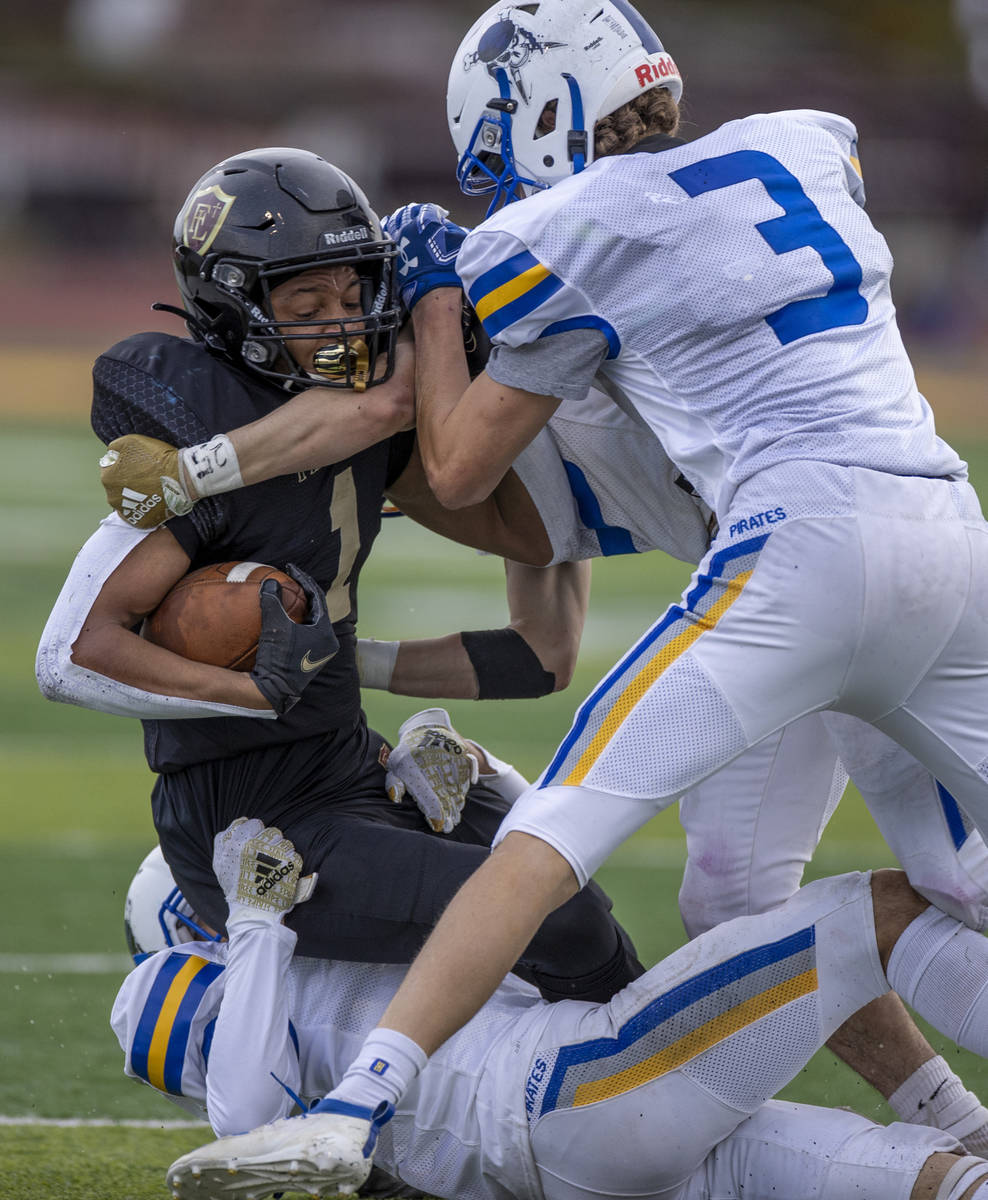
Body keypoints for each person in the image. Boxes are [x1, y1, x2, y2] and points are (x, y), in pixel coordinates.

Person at [195, 0, 988, 1185]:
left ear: (548, 110)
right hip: (940, 527)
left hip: (800, 559)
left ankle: (363, 1100)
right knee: (765, 893)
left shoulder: (570, 234)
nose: (502, 194)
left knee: (552, 830)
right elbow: (543, 495)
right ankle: (961, 1126)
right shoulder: (802, 144)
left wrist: (427, 300)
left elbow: (463, 464)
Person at [35, 144, 645, 1003]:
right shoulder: (201, 433)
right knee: (554, 920)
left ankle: (639, 1091)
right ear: (234, 304)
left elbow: (536, 652)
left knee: (574, 893)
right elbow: (70, 656)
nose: (343, 321)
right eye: (309, 301)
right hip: (253, 826)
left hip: (351, 767)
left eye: (355, 295)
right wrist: (254, 690)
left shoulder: (373, 435)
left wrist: (349, 663)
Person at [117, 820, 988, 1200]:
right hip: (577, 1088)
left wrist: (471, 789)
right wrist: (259, 923)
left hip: (572, 1160)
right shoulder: (210, 979)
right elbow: (239, 1116)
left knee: (932, 1178)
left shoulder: (345, 936)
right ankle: (969, 1120)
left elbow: (544, 882)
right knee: (871, 911)